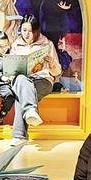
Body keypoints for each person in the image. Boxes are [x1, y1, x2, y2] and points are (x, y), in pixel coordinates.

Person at [8, 14, 62, 146]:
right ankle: (30, 111)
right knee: (22, 83)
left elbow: (57, 72)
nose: (26, 34)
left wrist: (52, 64)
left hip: (42, 80)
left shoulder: (47, 44)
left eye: (30, 31)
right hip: (21, 80)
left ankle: (19, 135)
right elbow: (10, 70)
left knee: (23, 96)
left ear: (36, 31)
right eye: (24, 30)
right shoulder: (16, 45)